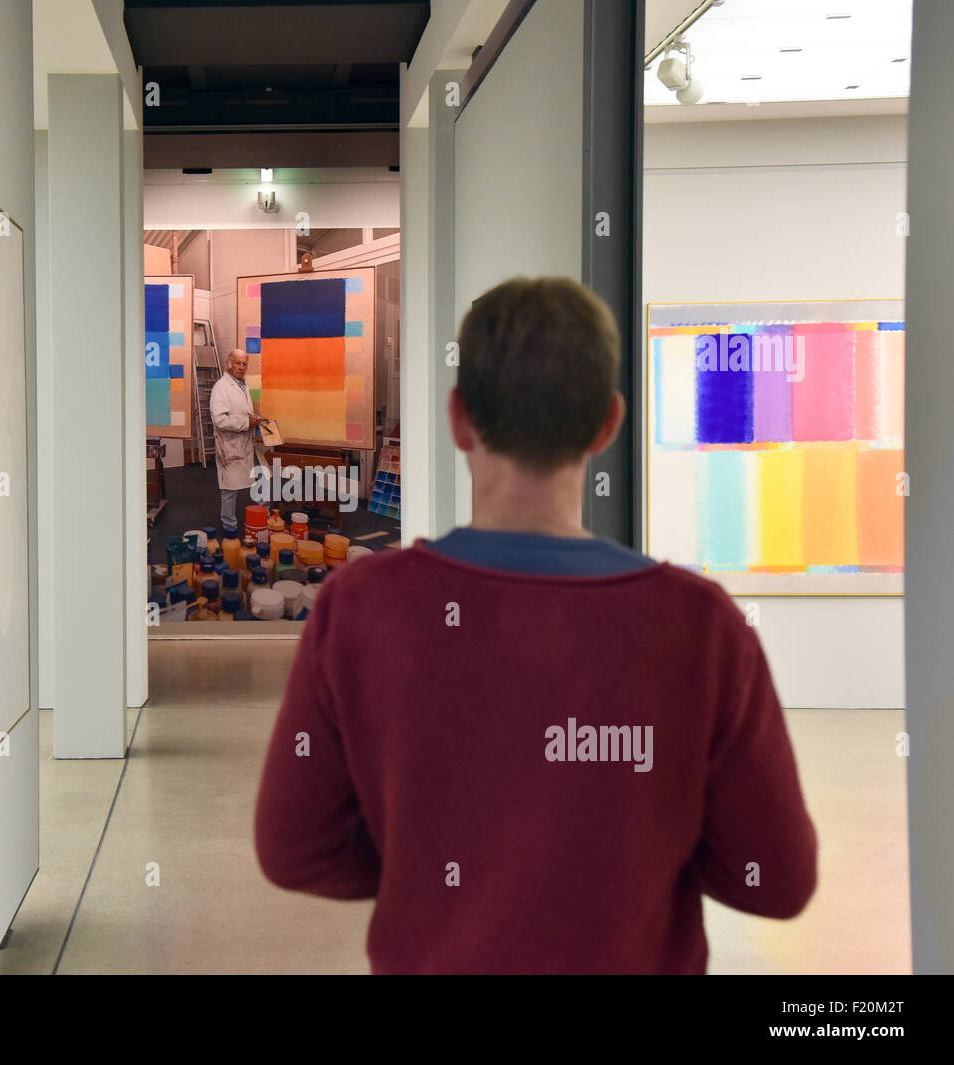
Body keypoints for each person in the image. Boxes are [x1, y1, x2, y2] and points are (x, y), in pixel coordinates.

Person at [253, 276, 817, 974]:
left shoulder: (361, 606)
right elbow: (778, 878)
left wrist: (433, 871)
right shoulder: (700, 627)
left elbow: (292, 847)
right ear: (608, 424)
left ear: (459, 421)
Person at [209, 349, 264, 533]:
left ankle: (264, 519)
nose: (241, 367)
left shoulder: (242, 385)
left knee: (260, 479)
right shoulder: (221, 387)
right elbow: (219, 419)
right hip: (230, 446)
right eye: (237, 363)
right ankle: (229, 527)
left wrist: (254, 419)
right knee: (229, 490)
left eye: (244, 364)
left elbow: (241, 411)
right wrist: (245, 422)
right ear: (228, 363)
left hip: (246, 444)